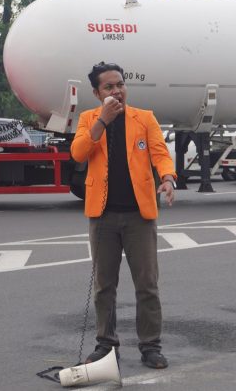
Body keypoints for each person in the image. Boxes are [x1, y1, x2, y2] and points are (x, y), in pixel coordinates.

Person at [71, 62, 176, 370]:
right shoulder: (89, 119)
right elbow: (78, 153)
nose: (117, 91)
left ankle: (151, 346)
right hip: (103, 215)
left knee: (147, 284)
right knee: (104, 286)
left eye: (120, 84)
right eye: (109, 87)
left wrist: (167, 178)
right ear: (97, 93)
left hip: (139, 216)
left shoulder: (144, 118)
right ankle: (106, 345)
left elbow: (160, 153)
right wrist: (102, 121)